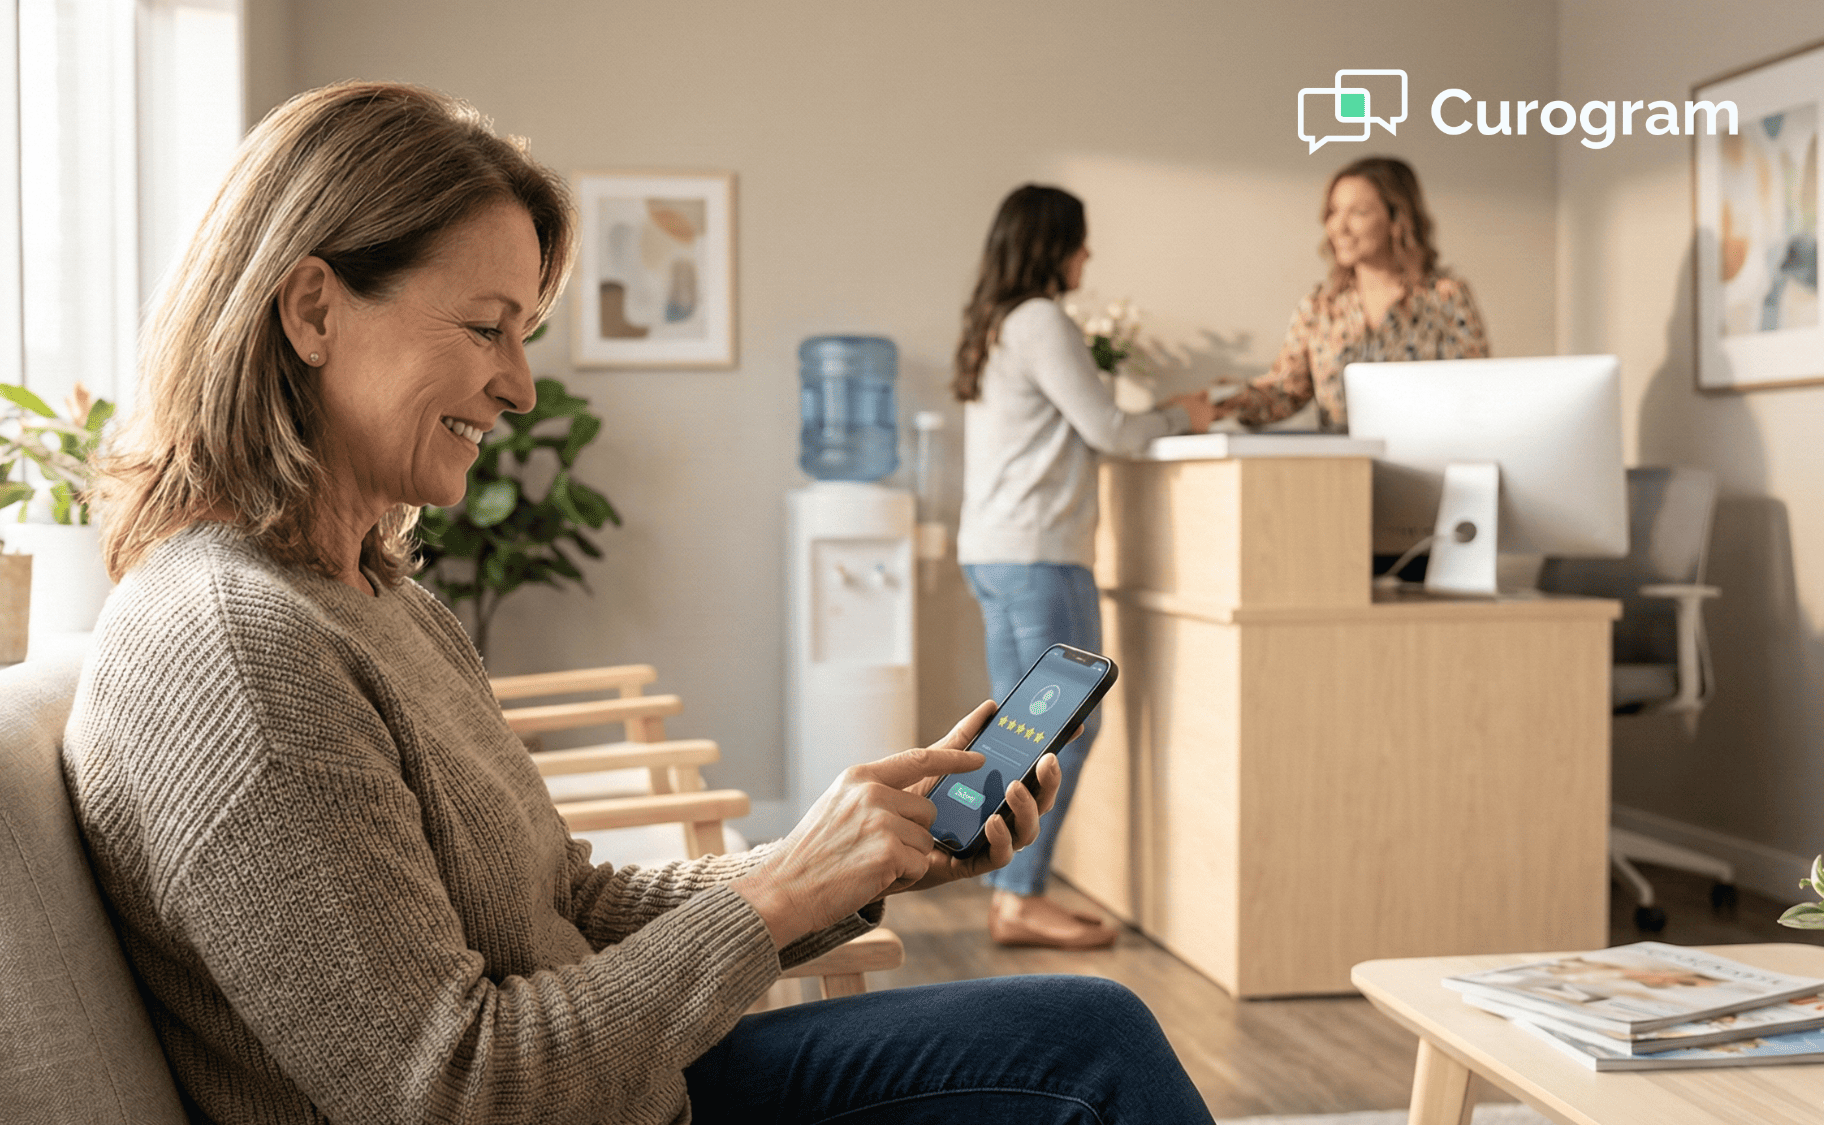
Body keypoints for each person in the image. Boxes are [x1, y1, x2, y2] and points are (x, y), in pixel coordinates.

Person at [65, 83, 1213, 1125]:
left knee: (1083, 1029)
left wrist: (848, 866)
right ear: (313, 310)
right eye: (486, 328)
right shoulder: (237, 651)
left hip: (618, 1089)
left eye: (523, 335)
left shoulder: (372, 596)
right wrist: (774, 894)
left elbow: (568, 900)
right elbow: (452, 1086)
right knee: (1088, 1057)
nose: (517, 385)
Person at [952, 185, 1205, 951]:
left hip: (995, 549)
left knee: (1019, 729)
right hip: (1038, 555)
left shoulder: (997, 325)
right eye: (1082, 241)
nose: (1088, 255)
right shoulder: (1039, 321)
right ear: (1054, 243)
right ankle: (1017, 895)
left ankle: (1002, 886)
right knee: (1059, 724)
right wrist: (1184, 415)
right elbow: (1111, 428)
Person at [1172, 155, 1490, 434]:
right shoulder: (1319, 309)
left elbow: (1477, 394)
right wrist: (1218, 403)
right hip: (1341, 477)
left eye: (1358, 213)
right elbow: (1285, 392)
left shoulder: (1445, 298)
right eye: (1333, 212)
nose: (1338, 226)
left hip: (1430, 471)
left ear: (1397, 219)